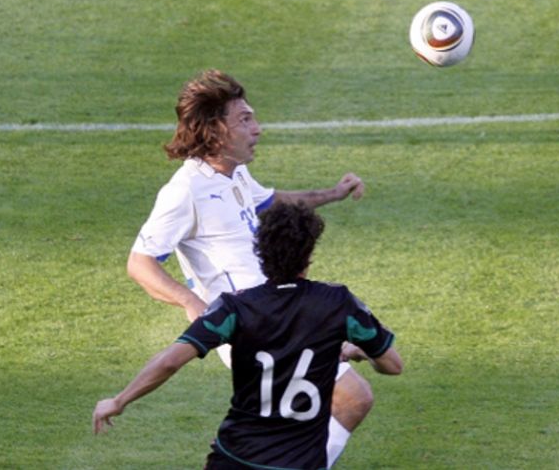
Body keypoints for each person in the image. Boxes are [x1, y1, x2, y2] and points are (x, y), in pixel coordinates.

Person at [126, 69, 372, 466]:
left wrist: (334, 193)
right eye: (244, 120)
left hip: (277, 310)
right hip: (250, 324)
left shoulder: (235, 173)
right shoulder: (184, 191)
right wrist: (191, 303)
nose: (257, 129)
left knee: (292, 421)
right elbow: (140, 263)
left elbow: (274, 203)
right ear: (215, 129)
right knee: (350, 397)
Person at [94, 202, 403, 469]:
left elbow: (170, 362)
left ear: (260, 253)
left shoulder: (234, 308)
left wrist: (120, 400)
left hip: (236, 458)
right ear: (308, 255)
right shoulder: (338, 304)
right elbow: (393, 365)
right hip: (301, 464)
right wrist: (358, 351)